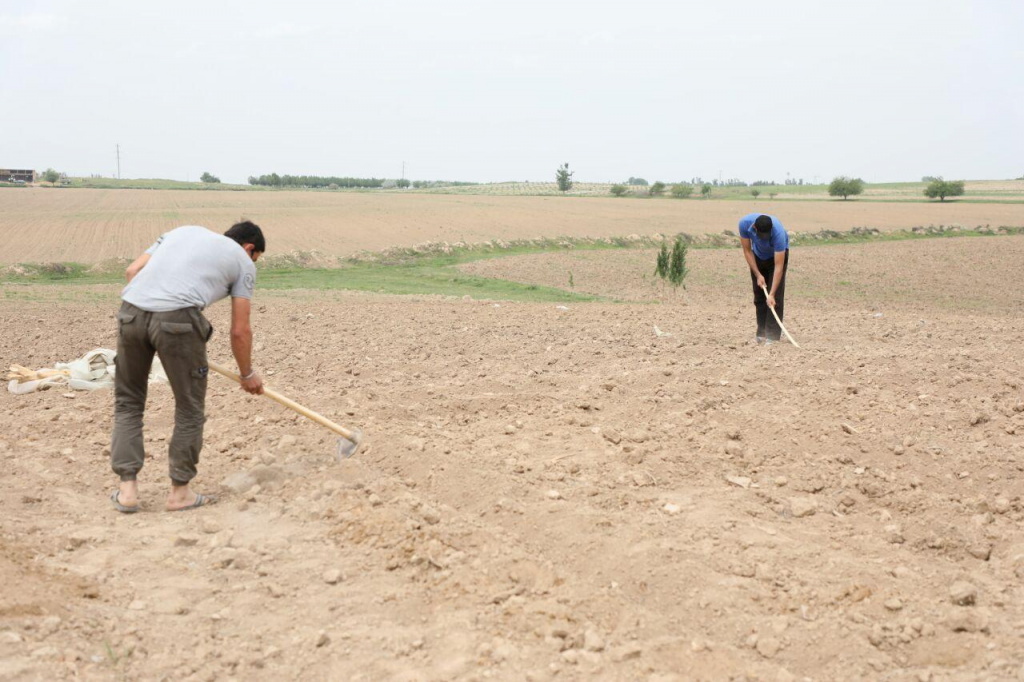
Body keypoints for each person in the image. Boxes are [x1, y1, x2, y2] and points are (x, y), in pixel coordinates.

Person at [110, 221, 266, 513]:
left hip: (130, 311)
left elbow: (132, 272)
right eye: (255, 257)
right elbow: (240, 331)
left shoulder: (182, 232)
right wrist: (246, 373)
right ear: (249, 248)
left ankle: (127, 491)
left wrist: (146, 314)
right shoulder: (243, 262)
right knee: (189, 409)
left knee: (128, 403)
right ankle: (179, 492)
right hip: (179, 320)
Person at [738, 213, 789, 345]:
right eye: (762, 236)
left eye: (767, 235)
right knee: (759, 295)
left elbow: (779, 267)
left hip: (775, 258)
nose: (765, 238)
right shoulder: (744, 224)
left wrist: (771, 294)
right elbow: (747, 251)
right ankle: (762, 332)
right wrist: (758, 274)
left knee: (774, 297)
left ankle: (772, 335)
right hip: (758, 256)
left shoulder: (779, 234)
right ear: (754, 228)